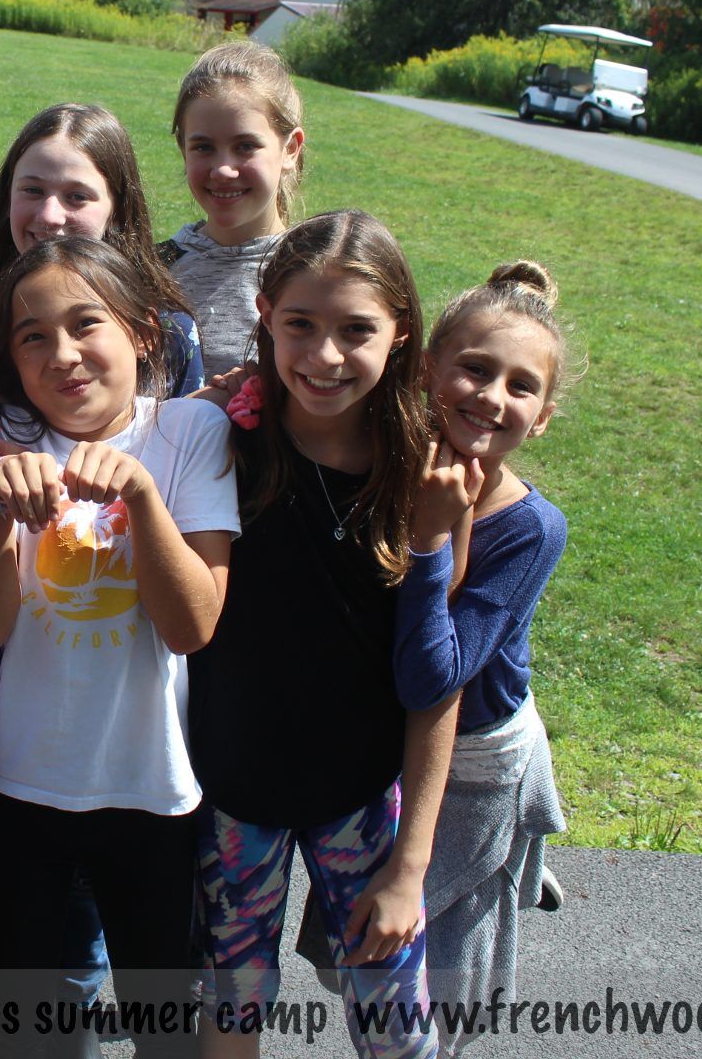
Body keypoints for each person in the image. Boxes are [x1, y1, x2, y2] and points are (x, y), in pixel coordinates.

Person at [0, 237, 237, 1059]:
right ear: (11, 358)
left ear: (143, 331)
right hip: (18, 789)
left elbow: (192, 626)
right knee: (21, 1028)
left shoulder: (189, 430)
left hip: (151, 789)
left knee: (163, 1023)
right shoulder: (0, 437)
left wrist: (142, 495)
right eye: (32, 336)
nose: (63, 354)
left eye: (86, 324)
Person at [187, 210, 459, 1059]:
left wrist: (411, 867)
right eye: (301, 324)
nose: (325, 355)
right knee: (231, 1007)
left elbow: (437, 681)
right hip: (233, 795)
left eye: (357, 331)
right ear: (265, 313)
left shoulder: (424, 474)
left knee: (394, 1022)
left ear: (400, 332)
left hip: (361, 802)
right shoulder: (221, 440)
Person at [392, 262, 573, 1055]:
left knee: (448, 968)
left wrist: (435, 535)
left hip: (476, 753)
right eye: (474, 368)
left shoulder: (532, 529)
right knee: (367, 948)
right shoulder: (387, 468)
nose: (492, 396)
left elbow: (434, 677)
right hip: (396, 747)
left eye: (521, 386)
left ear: (543, 417)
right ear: (428, 369)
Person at [0, 103, 204, 414]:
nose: (49, 215)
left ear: (118, 211)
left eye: (77, 196)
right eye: (32, 190)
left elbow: (189, 434)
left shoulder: (166, 333)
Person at [158, 40, 306, 377]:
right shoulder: (154, 271)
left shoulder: (315, 271)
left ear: (290, 149)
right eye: (203, 147)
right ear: (183, 149)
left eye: (245, 146)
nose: (223, 170)